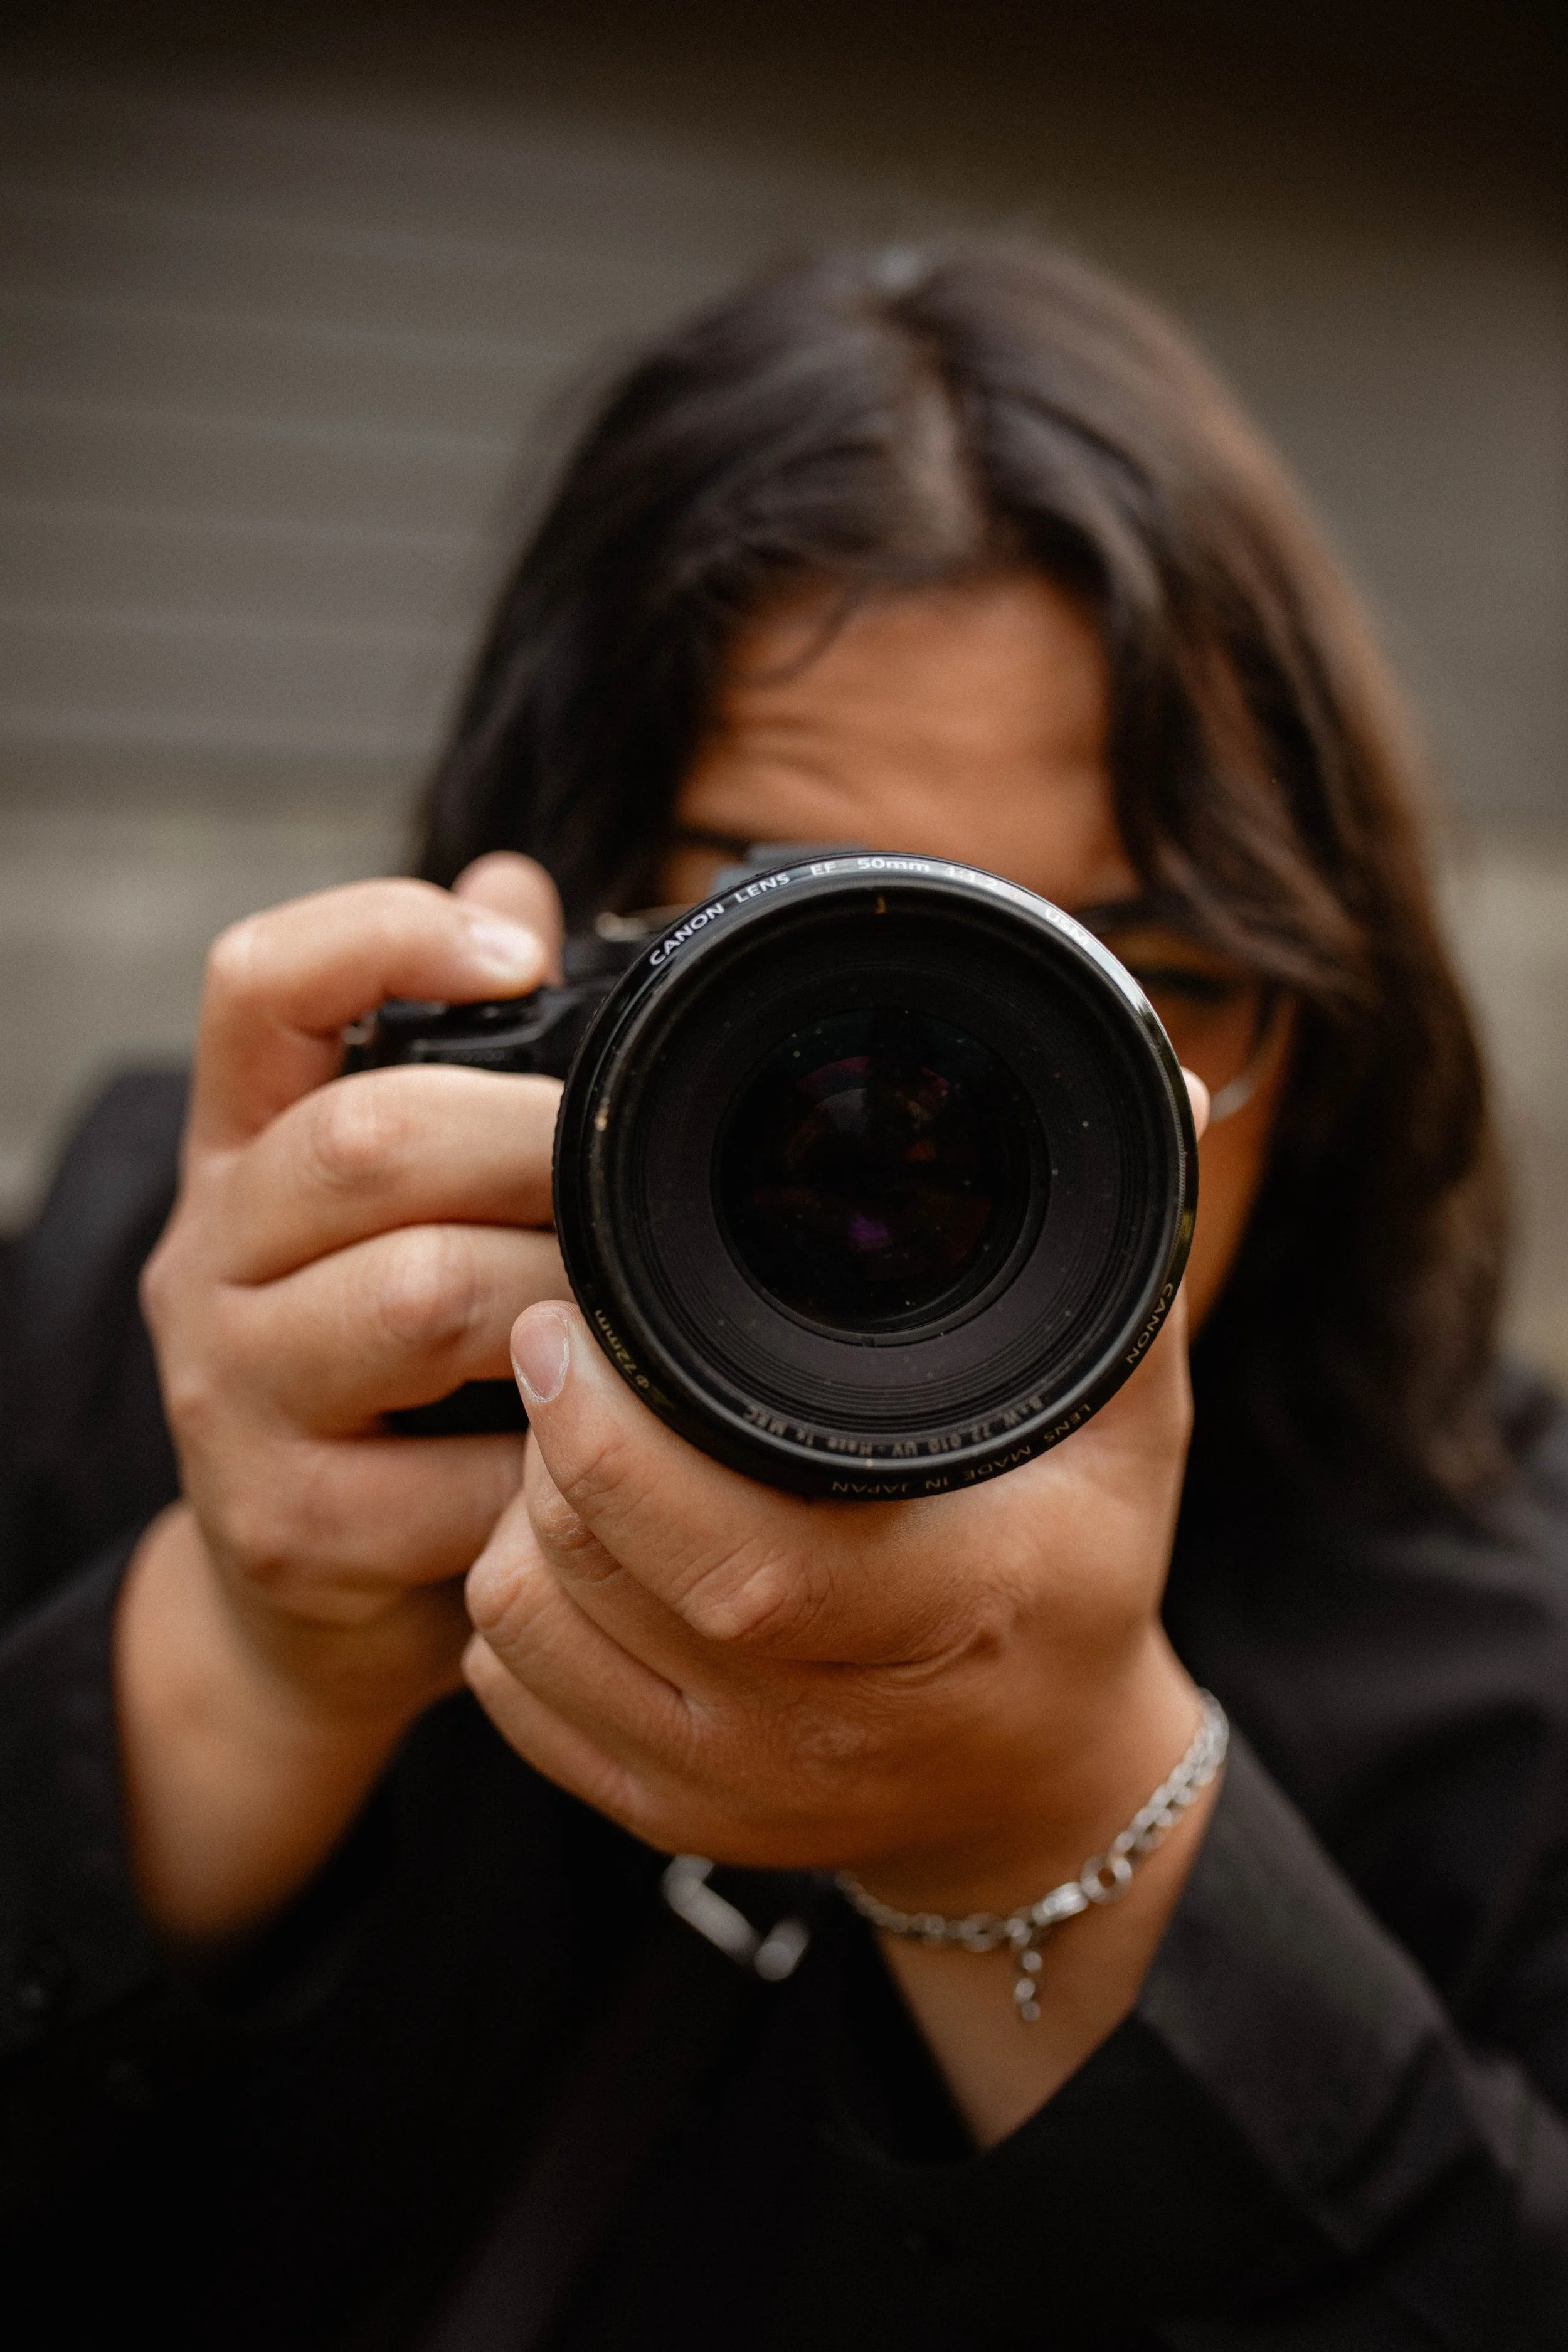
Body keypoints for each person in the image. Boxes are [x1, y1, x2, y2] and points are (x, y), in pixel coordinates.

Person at [1, 241, 1565, 2349]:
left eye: (1143, 988)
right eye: (773, 936)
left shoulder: (1502, 1668)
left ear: (1330, 1022)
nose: (951, 1135)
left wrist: (1059, 1823)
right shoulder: (187, 1308)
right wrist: (239, 1659)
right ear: (530, 942)